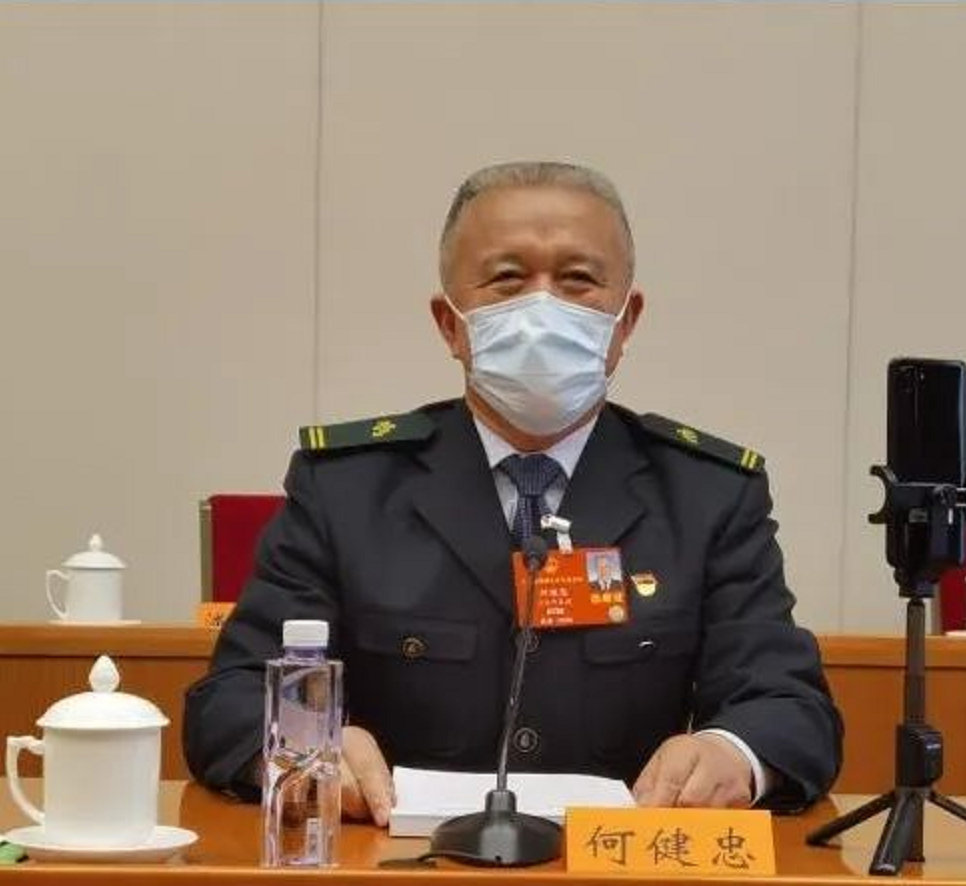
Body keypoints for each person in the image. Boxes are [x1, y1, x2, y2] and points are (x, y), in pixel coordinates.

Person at [184, 161, 842, 826]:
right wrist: (303, 745)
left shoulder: (707, 496)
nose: (543, 308)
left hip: (613, 862)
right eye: (507, 280)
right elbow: (230, 700)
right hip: (401, 857)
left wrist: (732, 752)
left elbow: (789, 707)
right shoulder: (347, 489)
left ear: (626, 322)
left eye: (577, 280)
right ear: (450, 325)